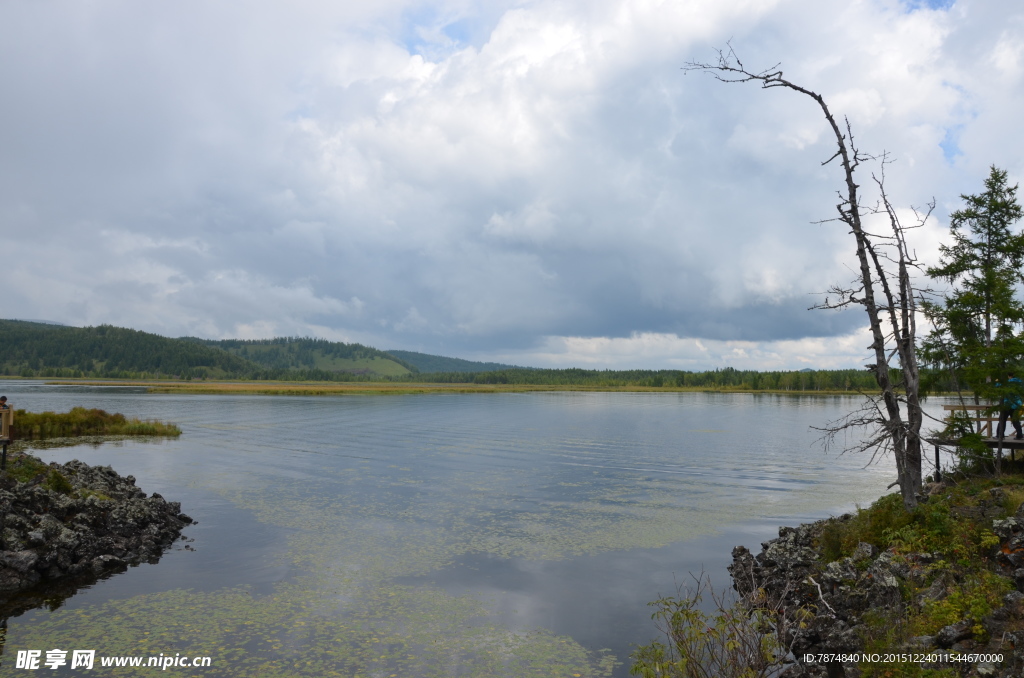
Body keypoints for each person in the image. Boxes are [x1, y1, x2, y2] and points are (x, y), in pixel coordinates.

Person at [996, 374, 1024, 440]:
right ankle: (1019, 435)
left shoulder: (1007, 383)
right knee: (1015, 421)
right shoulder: (1020, 383)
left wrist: (997, 381)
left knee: (1002, 420)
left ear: (1009, 376)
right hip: (1016, 405)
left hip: (1007, 405)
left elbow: (998, 387)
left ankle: (1000, 435)